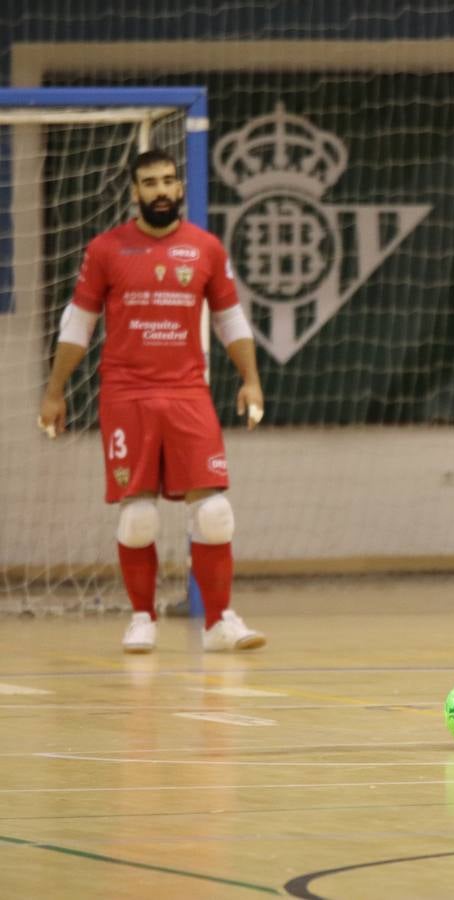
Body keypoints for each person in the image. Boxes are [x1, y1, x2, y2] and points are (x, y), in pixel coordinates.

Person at [38, 148, 267, 654]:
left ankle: (219, 623)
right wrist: (54, 392)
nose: (161, 190)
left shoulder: (205, 248)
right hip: (127, 393)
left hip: (188, 390)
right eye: (149, 182)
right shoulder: (106, 249)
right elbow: (79, 323)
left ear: (180, 188)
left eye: (168, 180)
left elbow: (230, 319)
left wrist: (250, 379)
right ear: (135, 191)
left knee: (214, 513)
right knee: (138, 517)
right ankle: (142, 618)